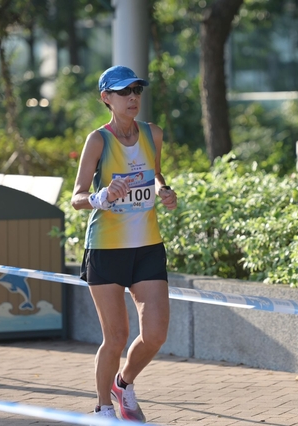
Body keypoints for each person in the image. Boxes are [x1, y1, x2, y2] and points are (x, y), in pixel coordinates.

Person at [71, 65, 177, 422]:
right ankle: (102, 408)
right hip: (106, 248)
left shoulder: (152, 133)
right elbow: (76, 197)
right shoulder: (98, 140)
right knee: (116, 337)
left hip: (147, 246)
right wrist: (100, 197)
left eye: (137, 90)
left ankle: (123, 383)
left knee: (156, 334)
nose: (133, 97)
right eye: (123, 91)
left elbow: (156, 173)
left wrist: (163, 190)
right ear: (106, 98)